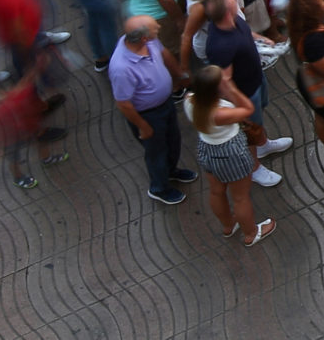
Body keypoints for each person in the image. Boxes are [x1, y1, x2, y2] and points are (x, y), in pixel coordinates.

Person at [187, 61, 277, 245]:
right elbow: (248, 109)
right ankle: (251, 233)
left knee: (216, 191)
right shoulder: (221, 113)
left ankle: (229, 225)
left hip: (207, 148)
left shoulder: (190, 100)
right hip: (230, 151)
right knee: (240, 197)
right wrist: (230, 88)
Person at [109, 14, 195, 204]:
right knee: (156, 151)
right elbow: (123, 103)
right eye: (155, 28)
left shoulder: (149, 41)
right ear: (143, 38)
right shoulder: (121, 68)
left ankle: (171, 171)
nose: (159, 28)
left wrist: (180, 75)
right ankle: (159, 188)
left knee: (173, 141)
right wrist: (142, 126)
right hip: (148, 115)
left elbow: (164, 54)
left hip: (165, 104)